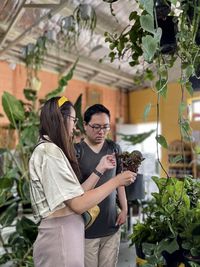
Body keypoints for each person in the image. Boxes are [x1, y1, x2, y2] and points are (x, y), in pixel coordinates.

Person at [29, 96, 136, 267]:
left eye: (106, 127)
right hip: (62, 235)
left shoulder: (52, 150)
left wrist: (100, 170)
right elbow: (78, 203)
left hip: (71, 232)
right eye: (73, 120)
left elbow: (76, 192)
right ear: (62, 119)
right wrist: (116, 181)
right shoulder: (50, 152)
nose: (75, 126)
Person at [75, 104, 128, 267]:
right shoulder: (77, 151)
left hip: (111, 225)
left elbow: (119, 181)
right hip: (86, 230)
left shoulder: (114, 148)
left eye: (105, 127)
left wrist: (125, 209)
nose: (101, 132)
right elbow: (76, 193)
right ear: (85, 125)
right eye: (96, 127)